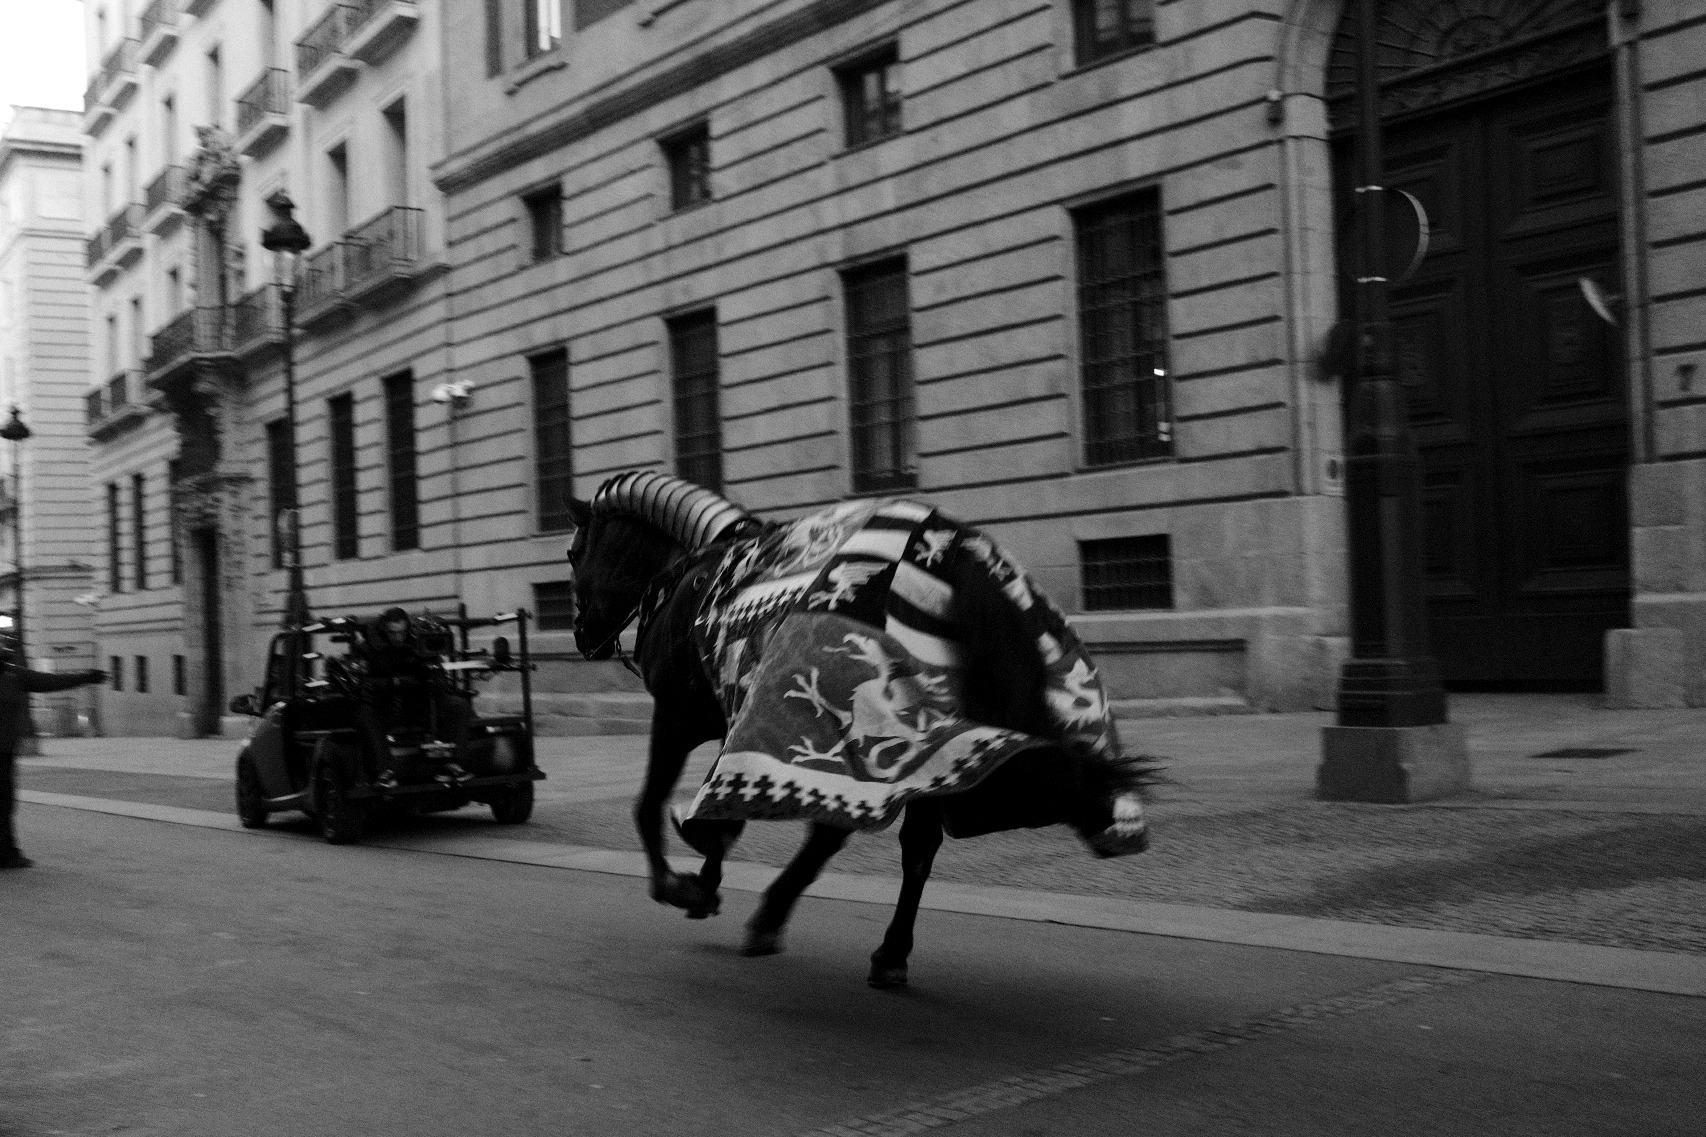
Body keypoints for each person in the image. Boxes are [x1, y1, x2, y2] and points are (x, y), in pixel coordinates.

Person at [0, 640, 106, 870]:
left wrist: (85, 677)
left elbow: (49, 681)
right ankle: (6, 853)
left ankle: (6, 852)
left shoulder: (13, 675)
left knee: (5, 802)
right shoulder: (11, 676)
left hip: (5, 751)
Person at [348, 608, 473, 786]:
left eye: (401, 632)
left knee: (458, 705)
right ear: (384, 630)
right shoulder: (367, 649)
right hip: (386, 708)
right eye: (393, 633)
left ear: (407, 629)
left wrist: (431, 670)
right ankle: (384, 772)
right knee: (364, 713)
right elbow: (363, 684)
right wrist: (395, 683)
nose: (398, 637)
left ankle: (453, 763)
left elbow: (437, 681)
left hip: (416, 705)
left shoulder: (416, 644)